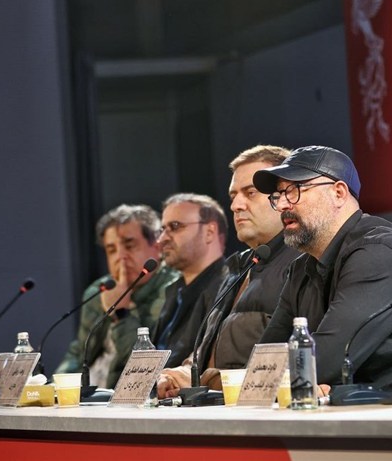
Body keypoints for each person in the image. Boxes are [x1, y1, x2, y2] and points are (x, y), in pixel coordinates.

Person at [254, 146, 392, 398]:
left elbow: (324, 361)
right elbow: (264, 364)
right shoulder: (301, 269)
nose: (282, 204)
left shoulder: (377, 253)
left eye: (294, 190)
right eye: (278, 195)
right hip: (375, 406)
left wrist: (293, 380)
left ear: (338, 193)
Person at [157, 145, 300, 398]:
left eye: (250, 192)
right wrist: (180, 372)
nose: (236, 205)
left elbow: (301, 362)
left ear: (286, 196)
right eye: (233, 195)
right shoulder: (238, 268)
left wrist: (206, 380)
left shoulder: (305, 263)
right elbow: (206, 350)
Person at [56, 204, 178, 388]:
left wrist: (121, 314)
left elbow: (147, 367)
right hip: (89, 392)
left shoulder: (173, 289)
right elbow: (80, 353)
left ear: (156, 246)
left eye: (129, 245)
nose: (120, 256)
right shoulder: (98, 291)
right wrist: (56, 387)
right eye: (111, 250)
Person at [153, 193, 229, 368]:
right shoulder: (174, 290)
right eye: (162, 230)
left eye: (175, 226)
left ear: (209, 232)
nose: (162, 239)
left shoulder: (229, 287)